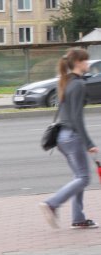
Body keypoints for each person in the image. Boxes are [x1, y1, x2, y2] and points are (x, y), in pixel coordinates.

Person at [39, 48, 99, 229]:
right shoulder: (78, 85)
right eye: (86, 61)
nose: (88, 64)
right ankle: (52, 204)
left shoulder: (67, 82)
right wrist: (89, 143)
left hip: (61, 138)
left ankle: (78, 218)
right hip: (72, 136)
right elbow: (76, 118)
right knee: (83, 178)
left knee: (78, 176)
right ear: (78, 63)